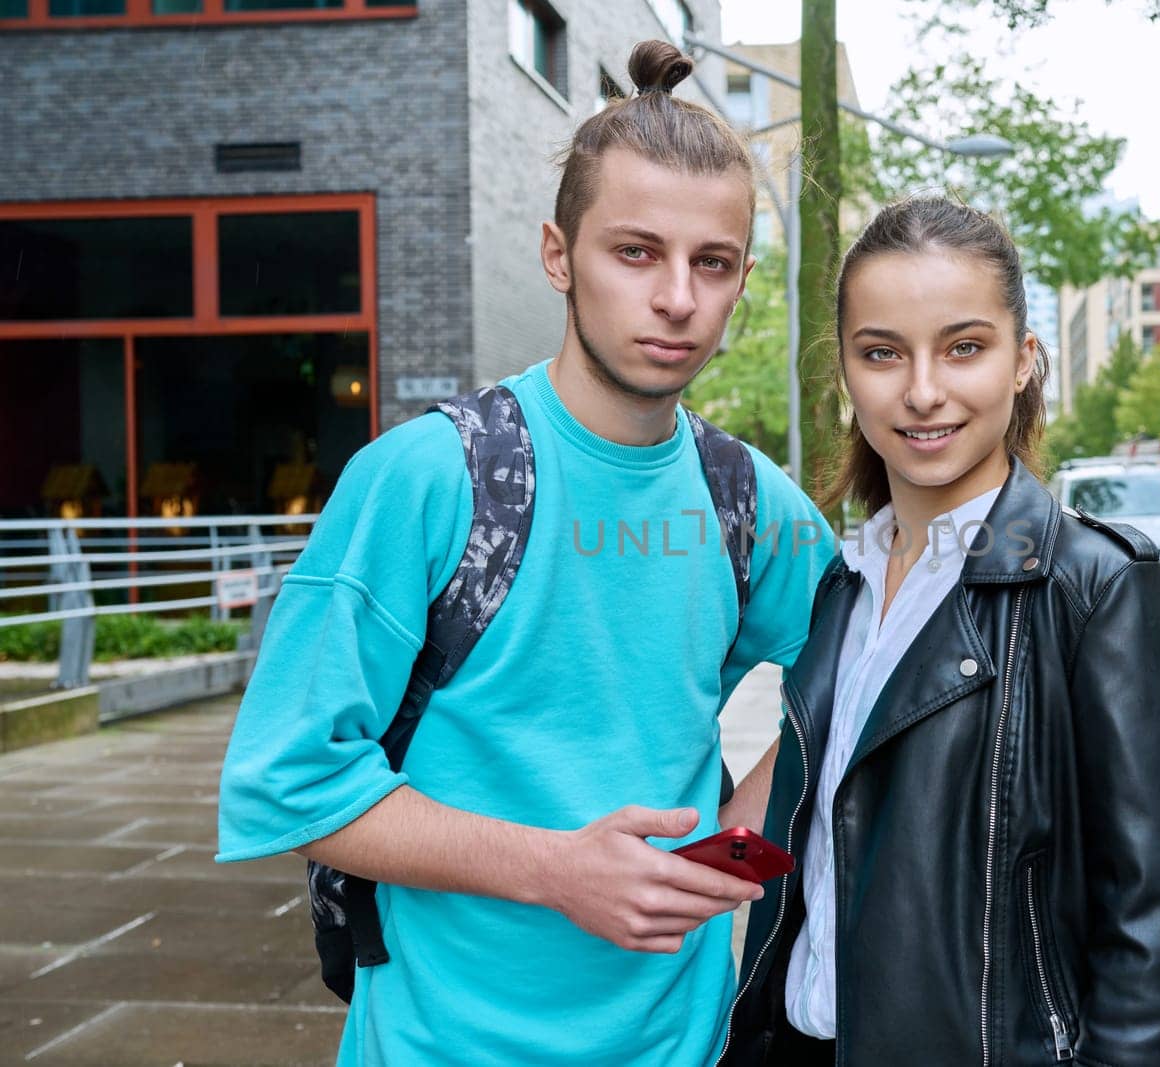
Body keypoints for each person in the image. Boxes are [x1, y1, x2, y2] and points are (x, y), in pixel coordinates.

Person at [216, 41, 833, 1066]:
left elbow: (858, 674)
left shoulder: (753, 503)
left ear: (741, 281)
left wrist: (731, 844)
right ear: (558, 254)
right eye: (635, 252)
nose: (677, 296)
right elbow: (290, 779)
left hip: (683, 1036)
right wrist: (557, 867)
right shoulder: (423, 477)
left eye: (710, 262)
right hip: (439, 1039)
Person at [723, 197, 1160, 1065]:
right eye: (882, 353)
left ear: (1024, 360)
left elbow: (1153, 926)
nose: (921, 390)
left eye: (964, 347)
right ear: (844, 371)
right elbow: (821, 833)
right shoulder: (846, 580)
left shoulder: (1093, 587)